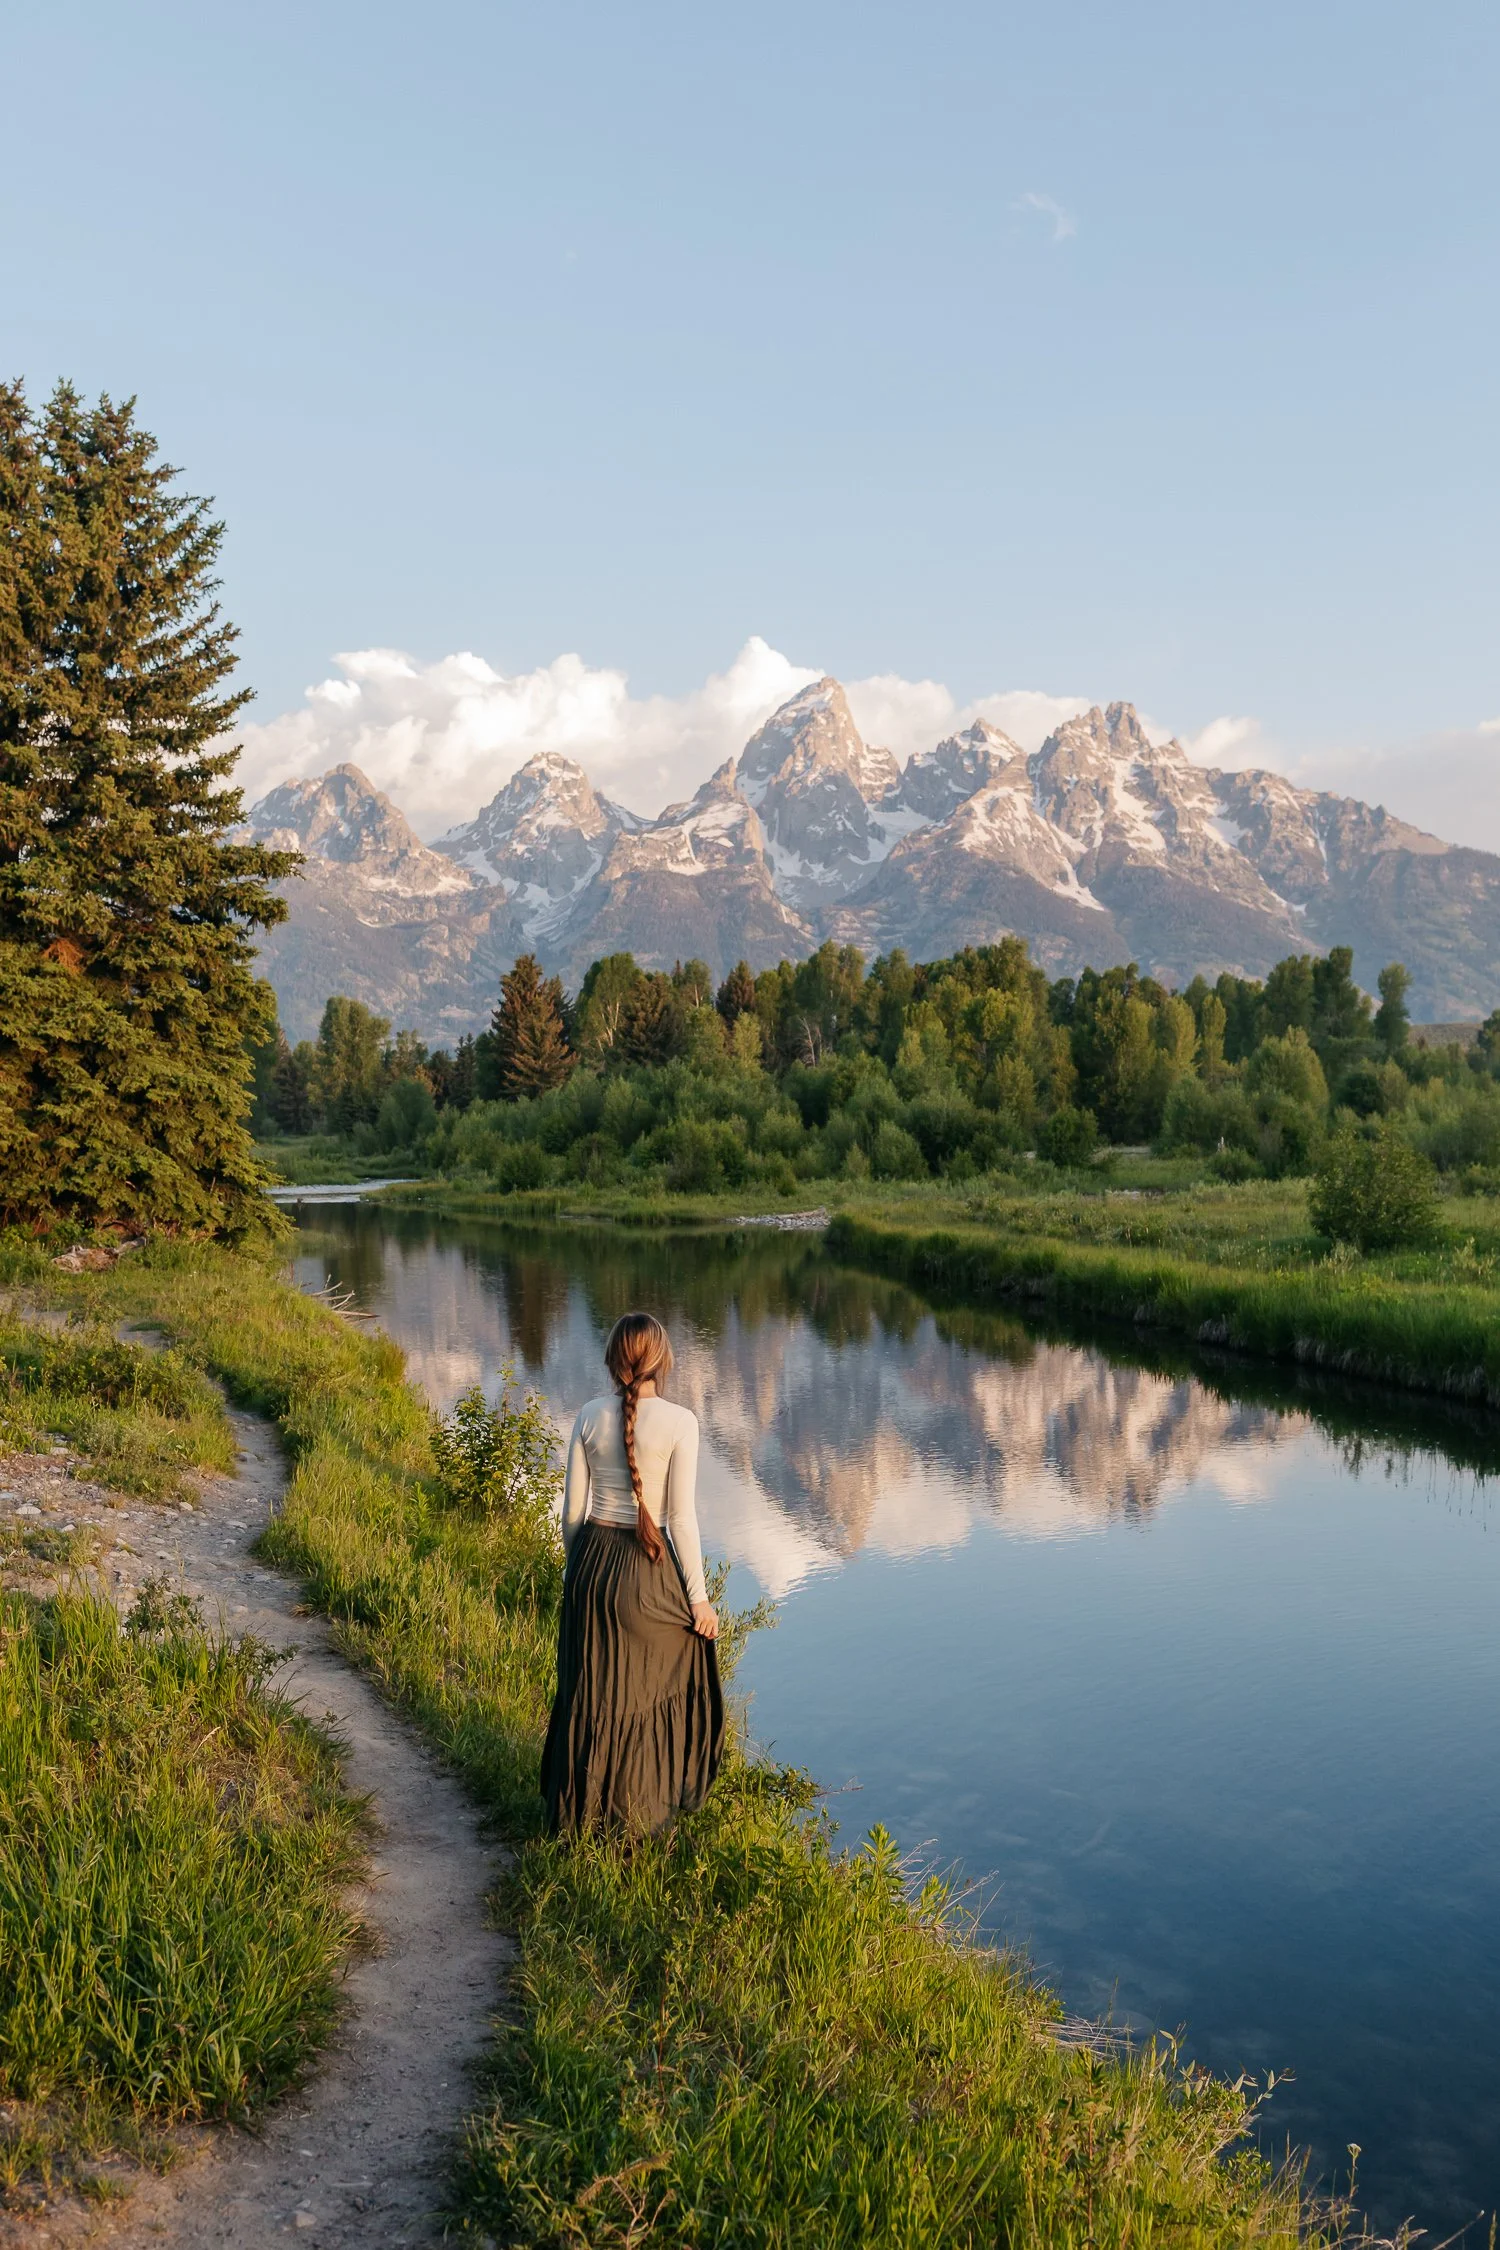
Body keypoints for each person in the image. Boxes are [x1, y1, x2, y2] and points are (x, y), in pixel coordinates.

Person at [541, 1310, 724, 1835]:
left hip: (591, 1562)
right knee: (666, 1676)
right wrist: (699, 1600)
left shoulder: (587, 1415)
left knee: (588, 1690)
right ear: (661, 1360)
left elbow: (571, 1514)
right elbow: (681, 1522)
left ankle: (578, 1819)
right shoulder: (681, 1422)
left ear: (613, 1358)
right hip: (647, 1568)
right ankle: (635, 1818)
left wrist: (577, 1576)